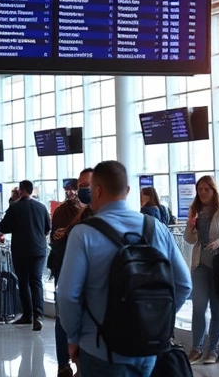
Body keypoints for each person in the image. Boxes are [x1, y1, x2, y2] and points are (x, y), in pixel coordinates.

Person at [57, 161, 191, 376]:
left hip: (100, 348)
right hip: (148, 347)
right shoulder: (155, 227)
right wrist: (152, 320)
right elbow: (184, 284)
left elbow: (67, 295)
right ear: (127, 191)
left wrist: (74, 338)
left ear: (97, 190)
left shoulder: (83, 234)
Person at [183, 174, 219, 365]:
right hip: (200, 264)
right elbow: (190, 240)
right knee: (198, 307)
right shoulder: (196, 211)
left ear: (213, 190)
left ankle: (213, 349)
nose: (202, 193)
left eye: (206, 189)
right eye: (200, 190)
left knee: (216, 307)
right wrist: (190, 226)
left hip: (218, 265)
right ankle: (196, 348)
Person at [0, 180, 52, 331]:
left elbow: (3, 226)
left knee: (23, 282)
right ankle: (39, 315)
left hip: (21, 249)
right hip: (39, 249)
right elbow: (48, 229)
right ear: (32, 190)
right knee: (36, 281)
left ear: (21, 190)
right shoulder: (41, 207)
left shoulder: (15, 207)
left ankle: (27, 315)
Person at [50, 178, 84, 377]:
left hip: (85, 270)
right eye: (67, 189)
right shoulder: (63, 211)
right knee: (62, 316)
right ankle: (63, 362)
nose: (70, 192)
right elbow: (58, 240)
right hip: (64, 268)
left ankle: (82, 362)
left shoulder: (96, 210)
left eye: (73, 189)